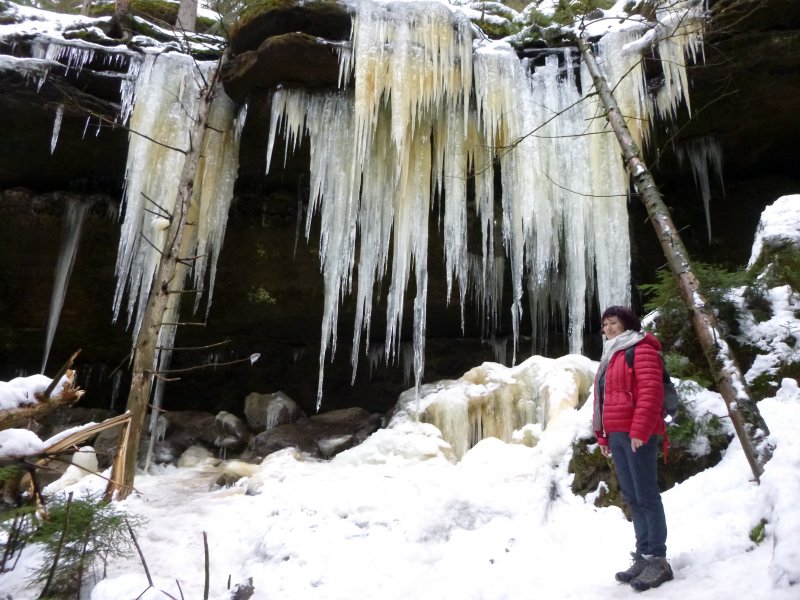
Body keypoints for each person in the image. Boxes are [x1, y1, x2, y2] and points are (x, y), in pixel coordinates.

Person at [592, 305, 673, 591]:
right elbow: (600, 398)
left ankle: (658, 560)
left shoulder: (641, 349)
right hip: (616, 434)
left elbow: (652, 392)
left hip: (638, 434)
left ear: (627, 323)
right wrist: (602, 435)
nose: (608, 328)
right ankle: (643, 553)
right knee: (632, 497)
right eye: (605, 324)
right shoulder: (611, 355)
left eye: (613, 322)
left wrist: (640, 430)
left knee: (647, 495)